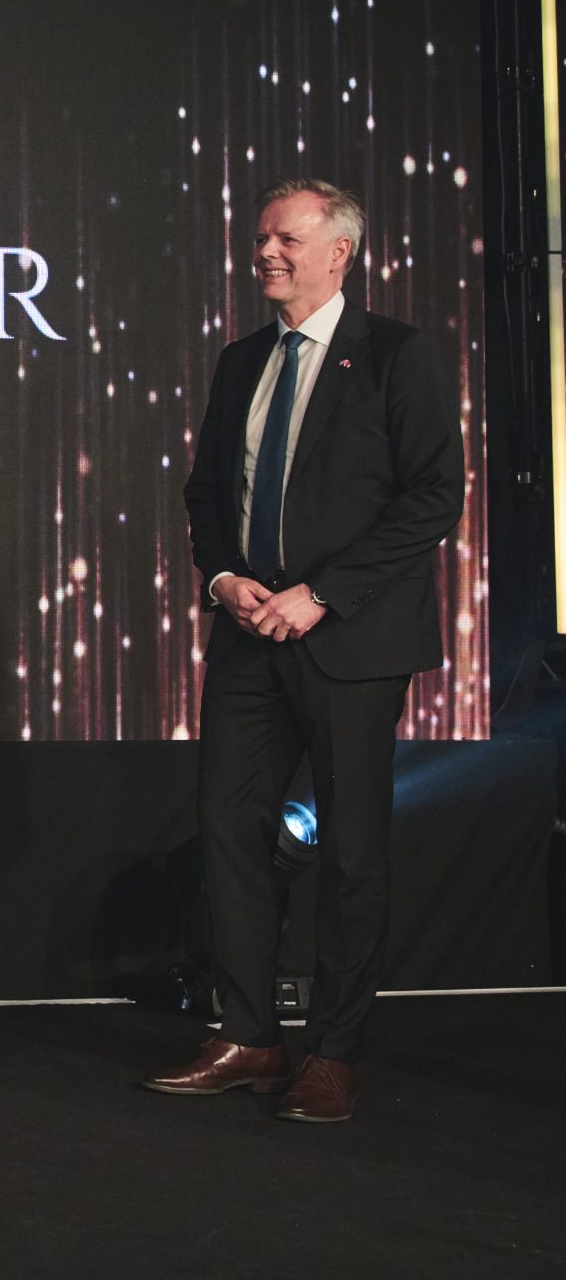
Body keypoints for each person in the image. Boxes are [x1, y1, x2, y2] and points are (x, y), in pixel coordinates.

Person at [146, 179, 460, 1122]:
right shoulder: (242, 359)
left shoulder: (396, 354)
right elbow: (208, 492)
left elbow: (433, 497)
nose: (266, 253)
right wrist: (222, 579)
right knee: (232, 836)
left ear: (339, 252)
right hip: (248, 642)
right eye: (260, 239)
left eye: (286, 238)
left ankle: (334, 1052)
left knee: (352, 852)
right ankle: (249, 1034)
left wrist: (321, 595)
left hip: (352, 642)